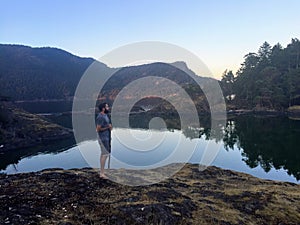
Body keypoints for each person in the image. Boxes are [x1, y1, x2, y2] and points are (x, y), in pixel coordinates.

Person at [96, 102, 112, 179]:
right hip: (103, 138)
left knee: (104, 154)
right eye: (107, 106)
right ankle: (102, 174)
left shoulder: (106, 116)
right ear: (103, 108)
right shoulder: (100, 117)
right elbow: (98, 129)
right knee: (105, 154)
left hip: (107, 137)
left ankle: (102, 171)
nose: (108, 108)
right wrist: (107, 128)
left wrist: (110, 127)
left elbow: (109, 127)